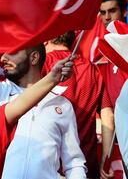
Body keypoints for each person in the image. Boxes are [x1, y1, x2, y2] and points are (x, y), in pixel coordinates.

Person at [0, 21, 86, 179]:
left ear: (34, 58)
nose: (4, 57)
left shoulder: (62, 105)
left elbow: (73, 162)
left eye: (12, 52)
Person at [44, 31, 115, 179]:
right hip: (86, 166)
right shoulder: (92, 68)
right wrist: (105, 157)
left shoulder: (42, 65)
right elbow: (107, 114)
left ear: (46, 39)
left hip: (50, 166)